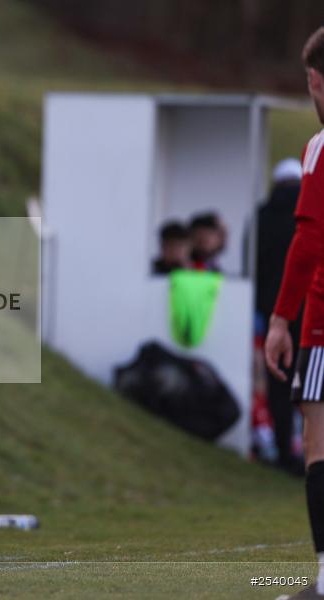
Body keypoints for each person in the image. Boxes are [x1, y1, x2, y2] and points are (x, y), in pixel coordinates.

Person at [265, 26, 324, 596]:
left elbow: (308, 240)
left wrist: (281, 320)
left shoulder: (320, 146)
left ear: (314, 80)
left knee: (319, 439)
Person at [256, 158, 304, 474]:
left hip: (271, 314)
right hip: (306, 312)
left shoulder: (261, 217)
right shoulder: (308, 217)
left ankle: (284, 449)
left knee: (279, 384)